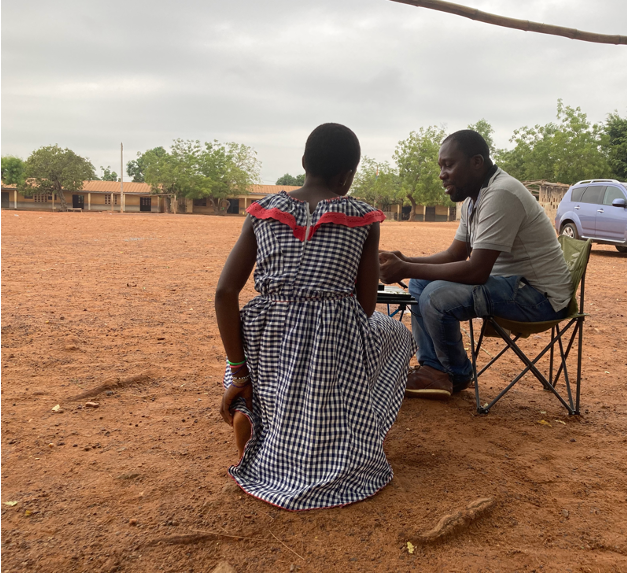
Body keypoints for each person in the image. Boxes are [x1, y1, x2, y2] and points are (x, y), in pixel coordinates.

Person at [216, 123, 416, 510]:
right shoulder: (363, 218)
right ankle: (347, 419)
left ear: (304, 162)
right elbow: (365, 305)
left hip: (269, 336)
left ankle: (246, 406)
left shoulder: (262, 212)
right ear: (347, 176)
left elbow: (225, 294)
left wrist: (239, 372)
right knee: (395, 334)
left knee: (245, 337)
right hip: (334, 337)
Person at [379, 130, 572, 399]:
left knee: (436, 296)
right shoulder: (474, 199)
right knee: (421, 283)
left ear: (477, 162)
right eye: (441, 167)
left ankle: (453, 374)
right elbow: (455, 255)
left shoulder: (501, 193)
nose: (442, 175)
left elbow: (477, 271)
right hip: (510, 286)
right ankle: (435, 368)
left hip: (539, 299)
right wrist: (404, 260)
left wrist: (405, 268)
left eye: (449, 165)